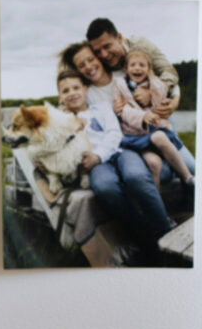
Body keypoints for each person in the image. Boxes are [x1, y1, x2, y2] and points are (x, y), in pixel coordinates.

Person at [56, 69, 175, 254]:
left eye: (76, 88)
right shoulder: (63, 121)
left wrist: (98, 155)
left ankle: (165, 230)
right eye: (65, 91)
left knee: (136, 176)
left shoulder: (102, 107)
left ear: (86, 89)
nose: (72, 93)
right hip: (96, 164)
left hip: (120, 152)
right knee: (105, 187)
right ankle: (144, 235)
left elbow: (114, 133)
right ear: (60, 97)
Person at [113, 48, 195, 193]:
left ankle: (187, 176)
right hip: (136, 135)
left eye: (142, 65)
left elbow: (159, 104)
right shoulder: (120, 86)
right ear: (126, 68)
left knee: (159, 136)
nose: (137, 68)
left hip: (156, 130)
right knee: (154, 163)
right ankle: (156, 205)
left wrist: (152, 83)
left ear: (149, 69)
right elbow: (121, 111)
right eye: (133, 65)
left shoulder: (155, 84)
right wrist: (142, 116)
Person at [86, 17, 180, 117]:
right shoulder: (94, 60)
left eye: (107, 46)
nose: (104, 54)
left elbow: (169, 71)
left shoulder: (142, 45)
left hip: (153, 110)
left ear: (119, 38)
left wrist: (167, 96)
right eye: (98, 51)